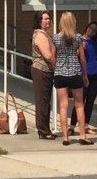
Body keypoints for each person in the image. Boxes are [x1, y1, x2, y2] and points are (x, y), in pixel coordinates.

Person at [52, 12, 92, 145]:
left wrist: (57, 66)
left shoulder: (56, 38)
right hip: (75, 72)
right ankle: (82, 135)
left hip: (60, 73)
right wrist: (85, 75)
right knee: (79, 105)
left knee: (63, 106)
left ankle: (65, 137)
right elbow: (82, 58)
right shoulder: (78, 38)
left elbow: (53, 57)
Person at [70, 21, 97, 133]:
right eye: (90, 28)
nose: (91, 31)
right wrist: (79, 49)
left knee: (90, 101)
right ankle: (71, 126)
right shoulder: (79, 40)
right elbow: (73, 55)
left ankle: (85, 125)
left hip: (96, 74)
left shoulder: (96, 42)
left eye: (95, 30)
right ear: (87, 27)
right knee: (79, 101)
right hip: (83, 74)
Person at [30, 11, 57, 139]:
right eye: (45, 19)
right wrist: (58, 65)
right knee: (42, 101)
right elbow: (48, 55)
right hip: (41, 70)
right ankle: (43, 130)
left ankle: (45, 129)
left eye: (48, 19)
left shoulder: (45, 34)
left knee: (46, 101)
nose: (48, 21)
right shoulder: (40, 35)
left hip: (47, 71)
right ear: (39, 21)